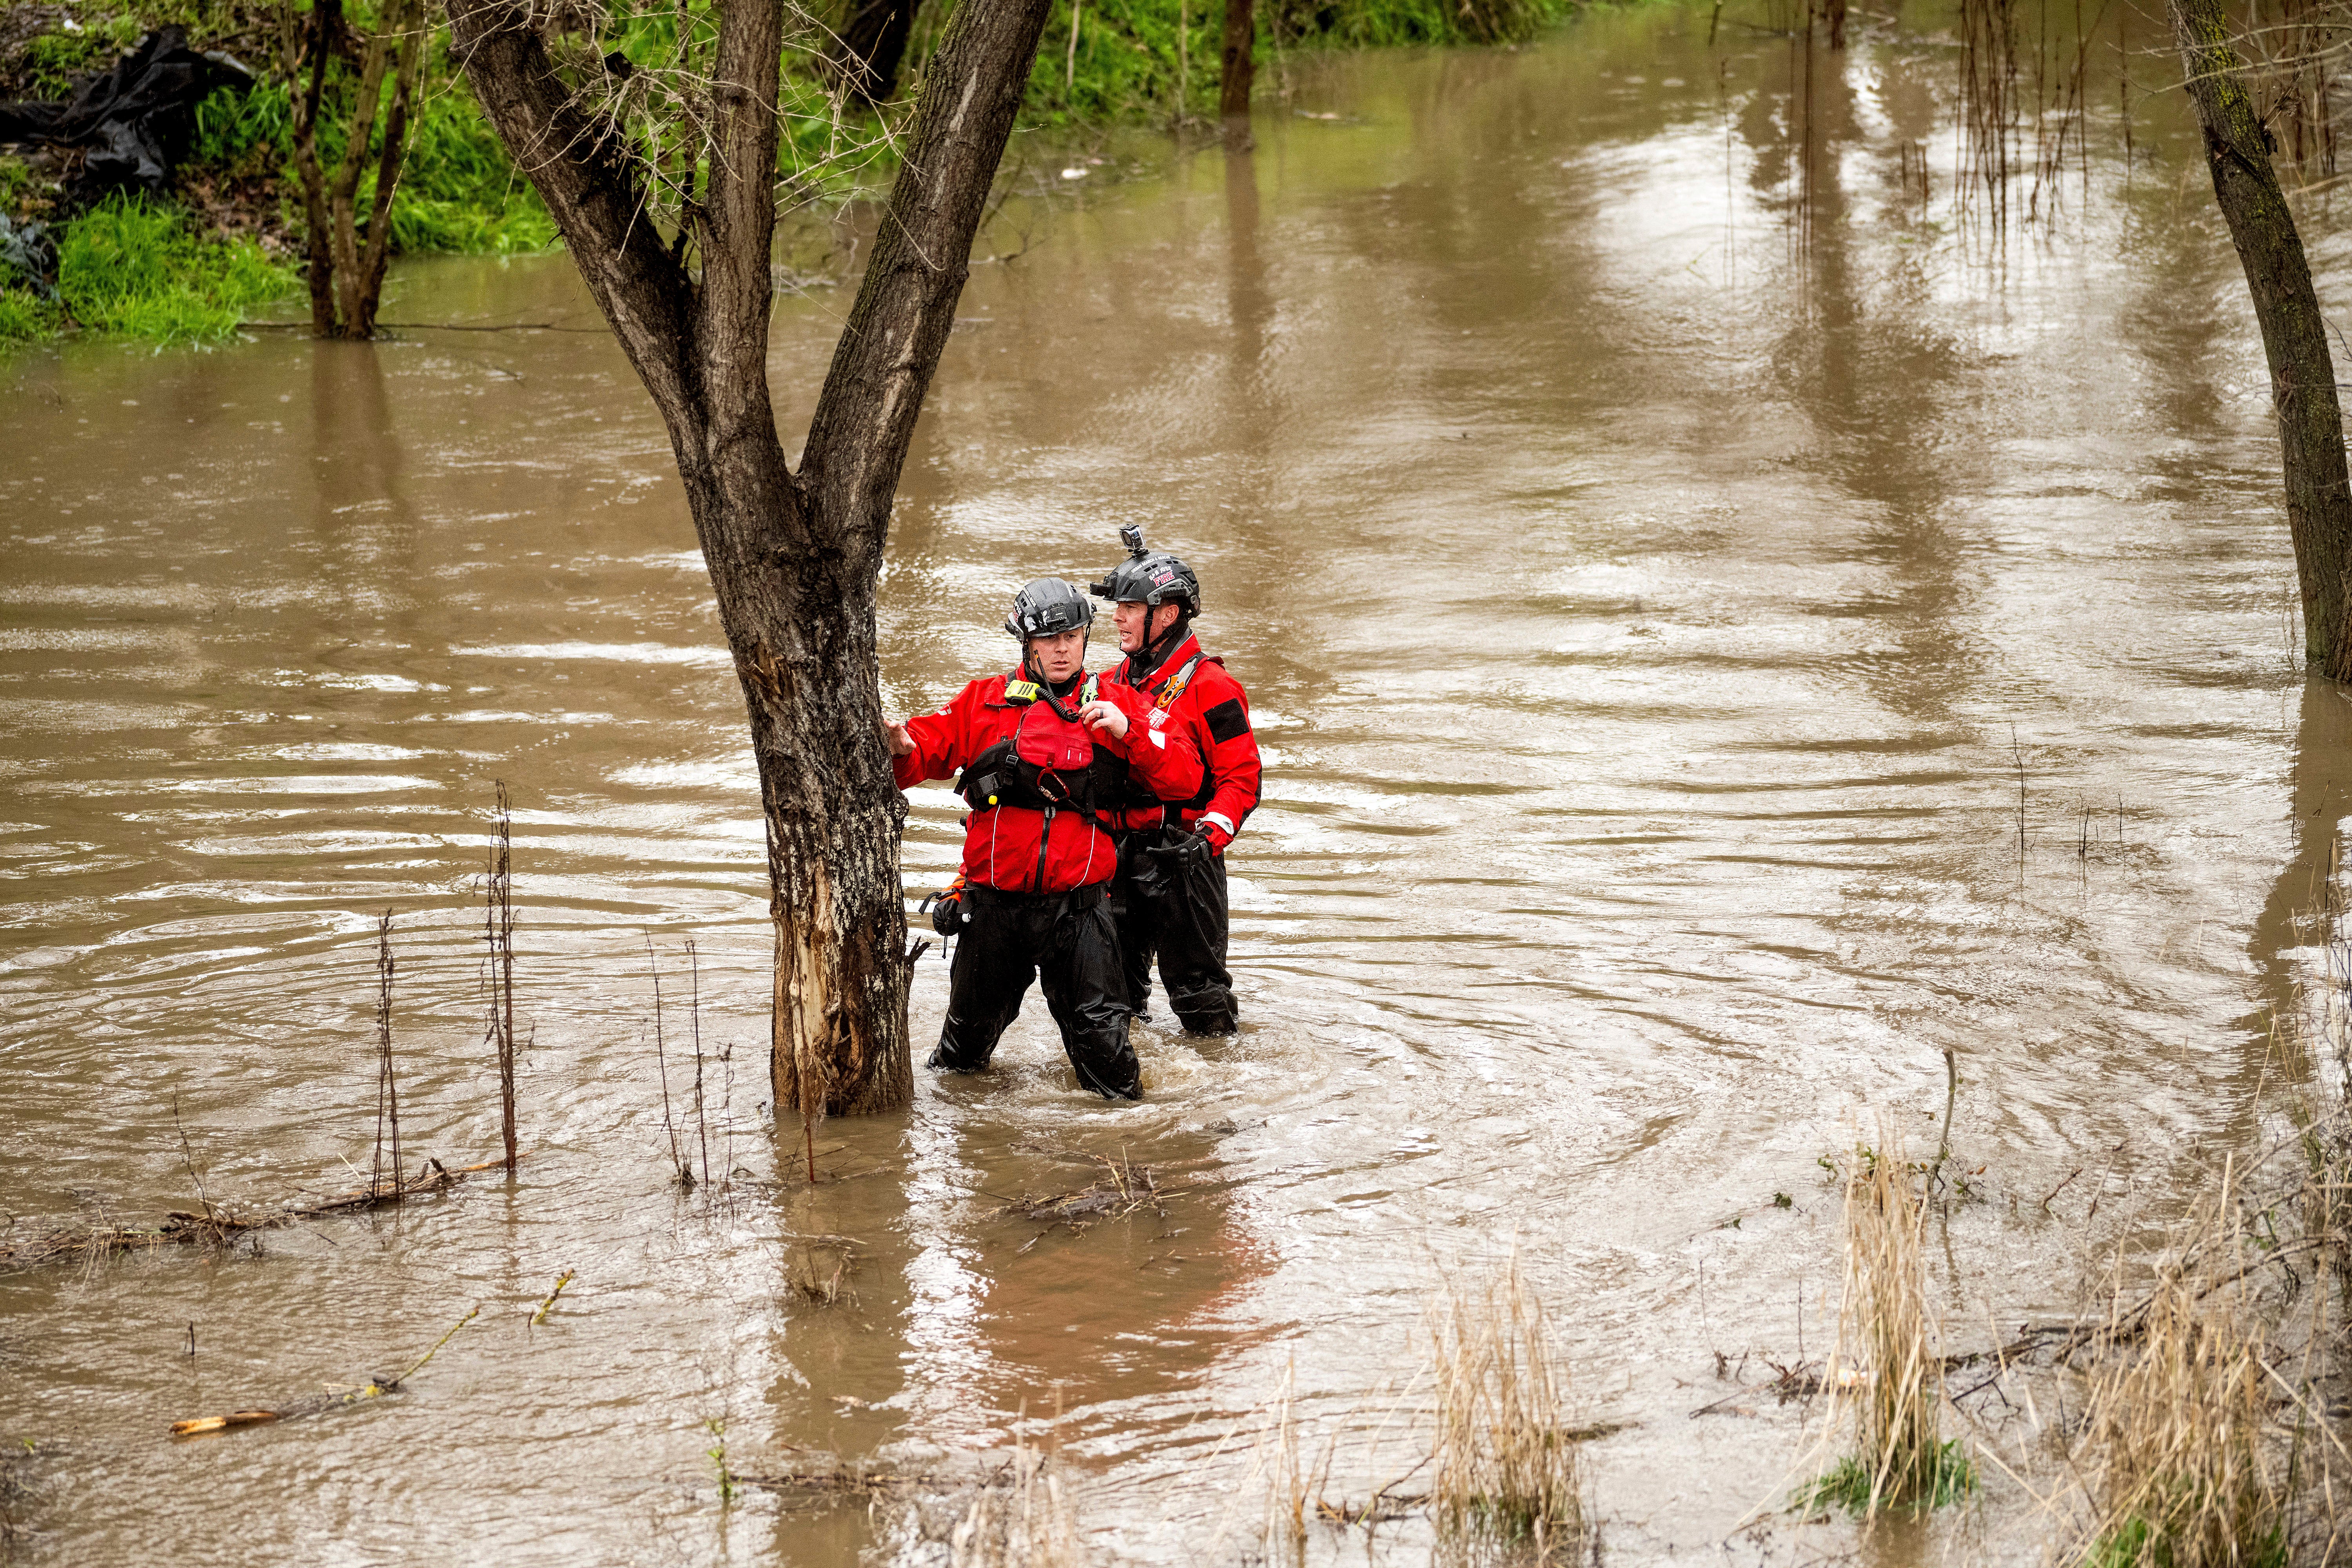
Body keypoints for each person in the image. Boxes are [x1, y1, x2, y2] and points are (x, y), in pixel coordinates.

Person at [884, 578, 1203, 1100]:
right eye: (1049, 638)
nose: (1062, 649)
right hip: (993, 911)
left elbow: (1187, 778)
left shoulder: (1118, 704)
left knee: (1112, 1074)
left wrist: (1130, 731)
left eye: (1072, 637)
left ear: (1085, 638)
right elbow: (921, 752)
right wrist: (900, 747)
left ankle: (1128, 1144)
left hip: (1080, 914)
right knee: (960, 1064)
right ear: (1026, 641)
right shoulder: (983, 702)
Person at [1089, 527, 1263, 1034]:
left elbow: (1242, 779)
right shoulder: (1108, 684)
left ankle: (1223, 1078)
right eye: (1118, 607)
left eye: (1130, 607)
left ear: (1167, 614)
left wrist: (1207, 839)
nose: (1117, 617)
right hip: (1117, 853)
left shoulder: (1214, 687)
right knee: (1112, 1000)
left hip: (1185, 856)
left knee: (1201, 1000)